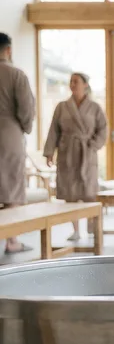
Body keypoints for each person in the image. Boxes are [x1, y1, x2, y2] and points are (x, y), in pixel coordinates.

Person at [43, 72, 108, 241]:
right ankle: (76, 230)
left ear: (85, 84)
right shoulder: (62, 107)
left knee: (89, 192)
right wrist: (50, 152)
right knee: (70, 194)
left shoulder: (94, 107)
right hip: (67, 154)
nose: (72, 84)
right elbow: (53, 131)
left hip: (87, 154)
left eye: (76, 81)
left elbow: (103, 129)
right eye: (70, 81)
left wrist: (93, 145)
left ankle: (93, 228)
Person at [0, 33, 36, 253]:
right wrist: (25, 127)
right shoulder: (16, 75)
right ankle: (12, 241)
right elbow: (26, 110)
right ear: (9, 50)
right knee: (11, 190)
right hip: (8, 135)